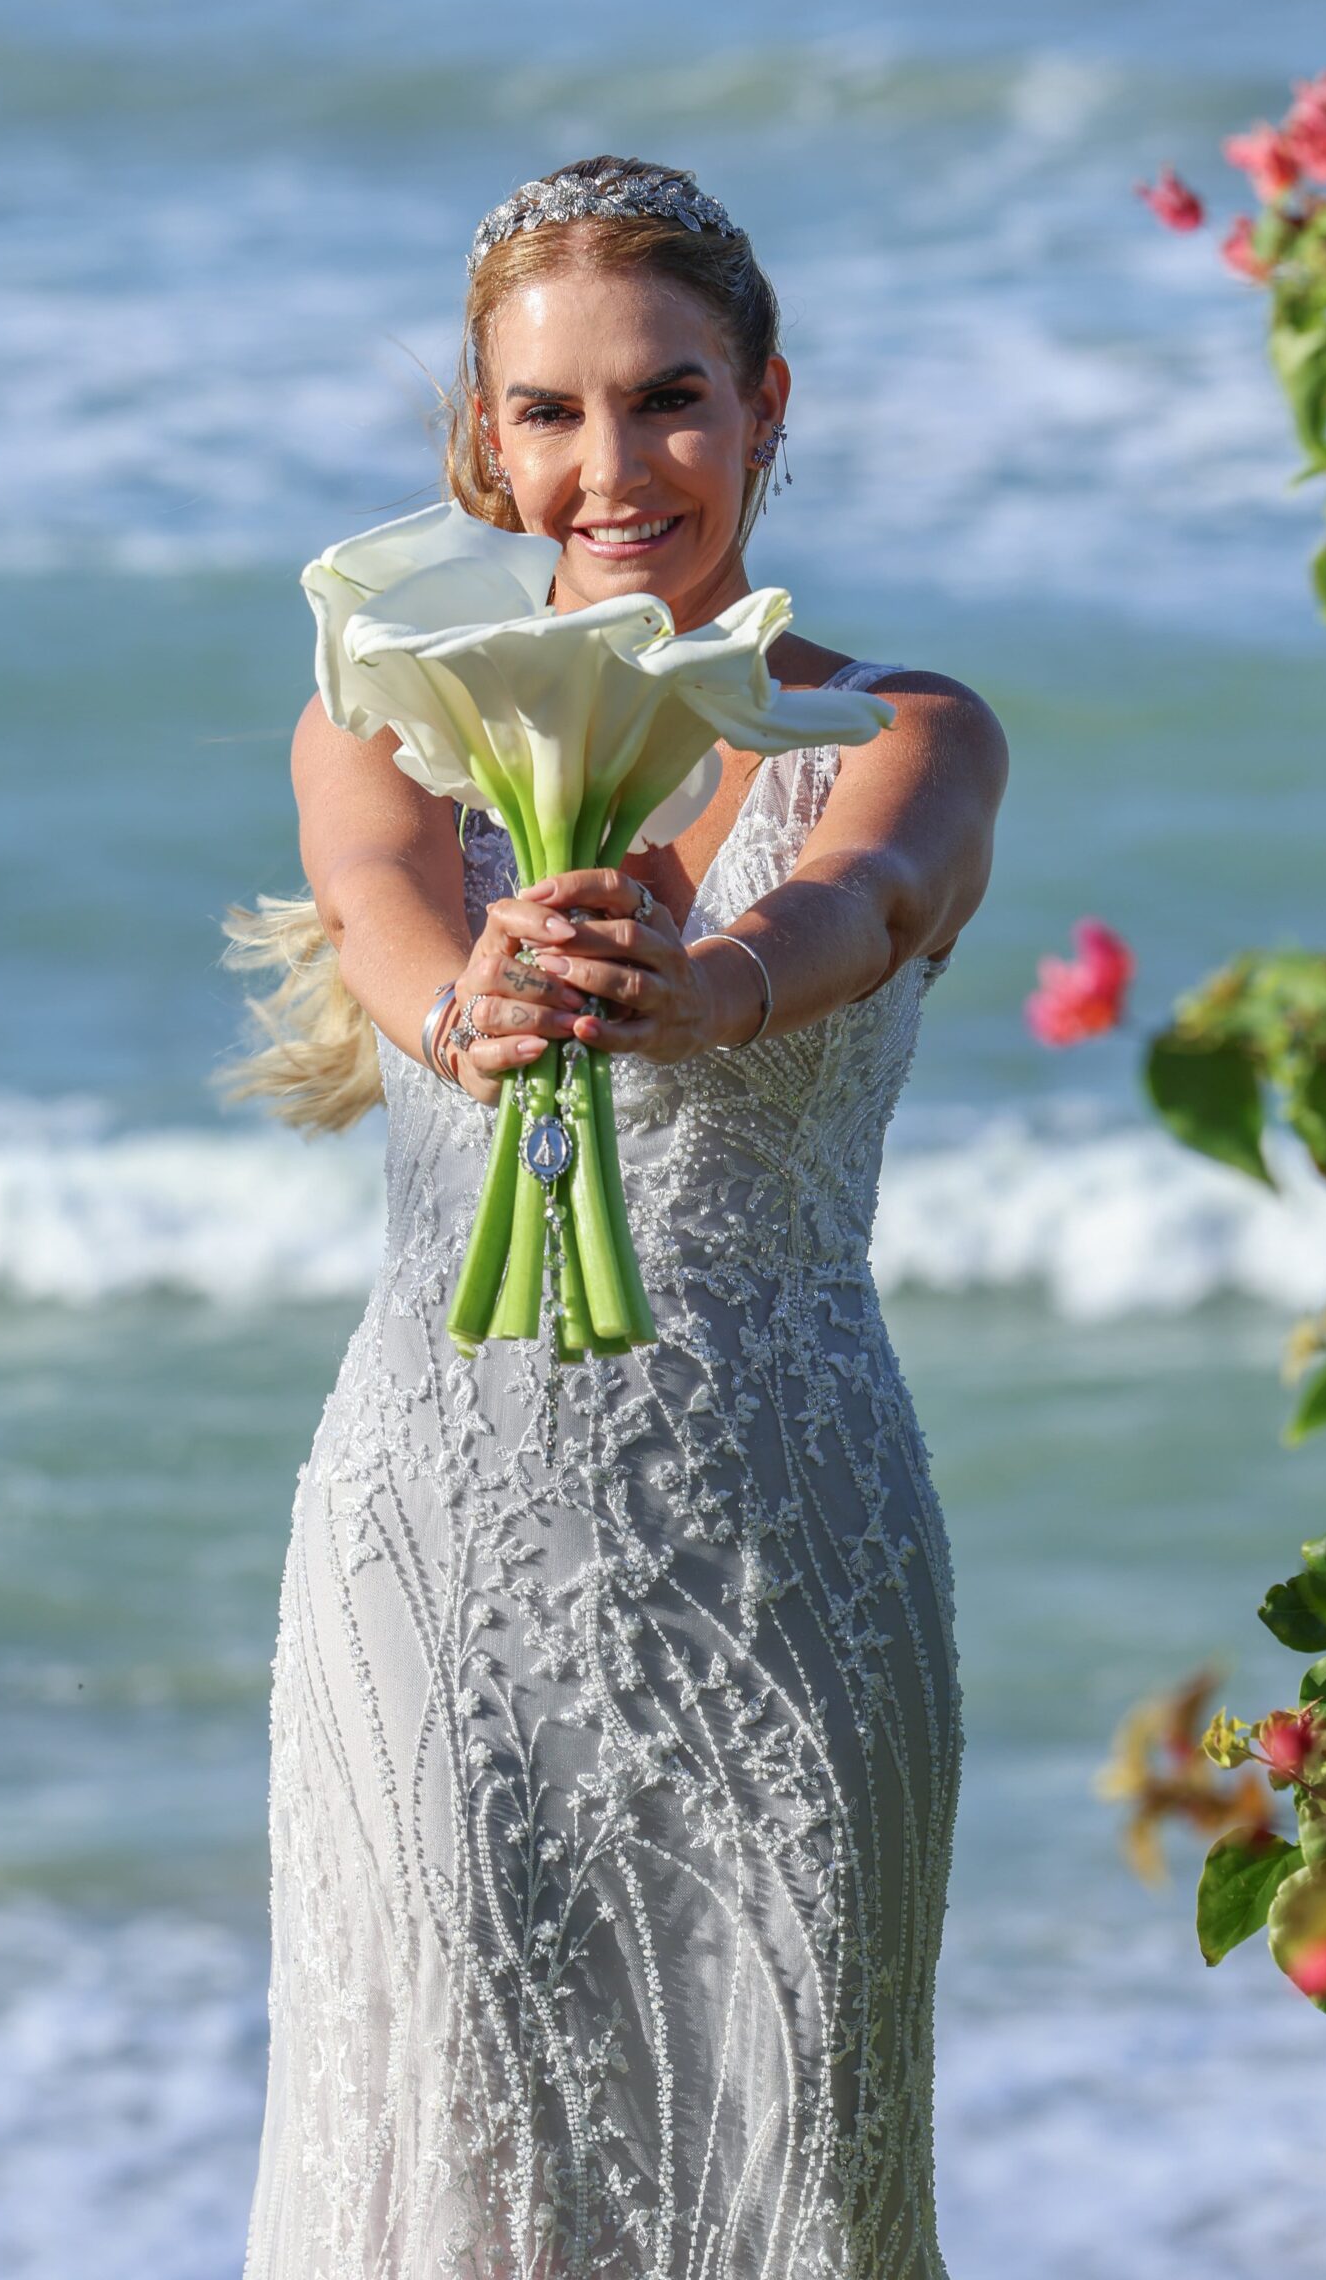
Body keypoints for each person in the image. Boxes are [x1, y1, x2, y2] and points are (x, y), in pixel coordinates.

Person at [232, 156, 1009, 2280]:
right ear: (487, 442)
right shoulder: (375, 722)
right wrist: (475, 1000)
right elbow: (393, 925)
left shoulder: (907, 725)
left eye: (668, 396)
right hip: (438, 1534)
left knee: (794, 2161)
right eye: (551, 414)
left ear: (767, 404)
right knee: (449, 2165)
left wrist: (717, 983)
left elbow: (860, 896)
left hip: (786, 1531)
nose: (611, 465)